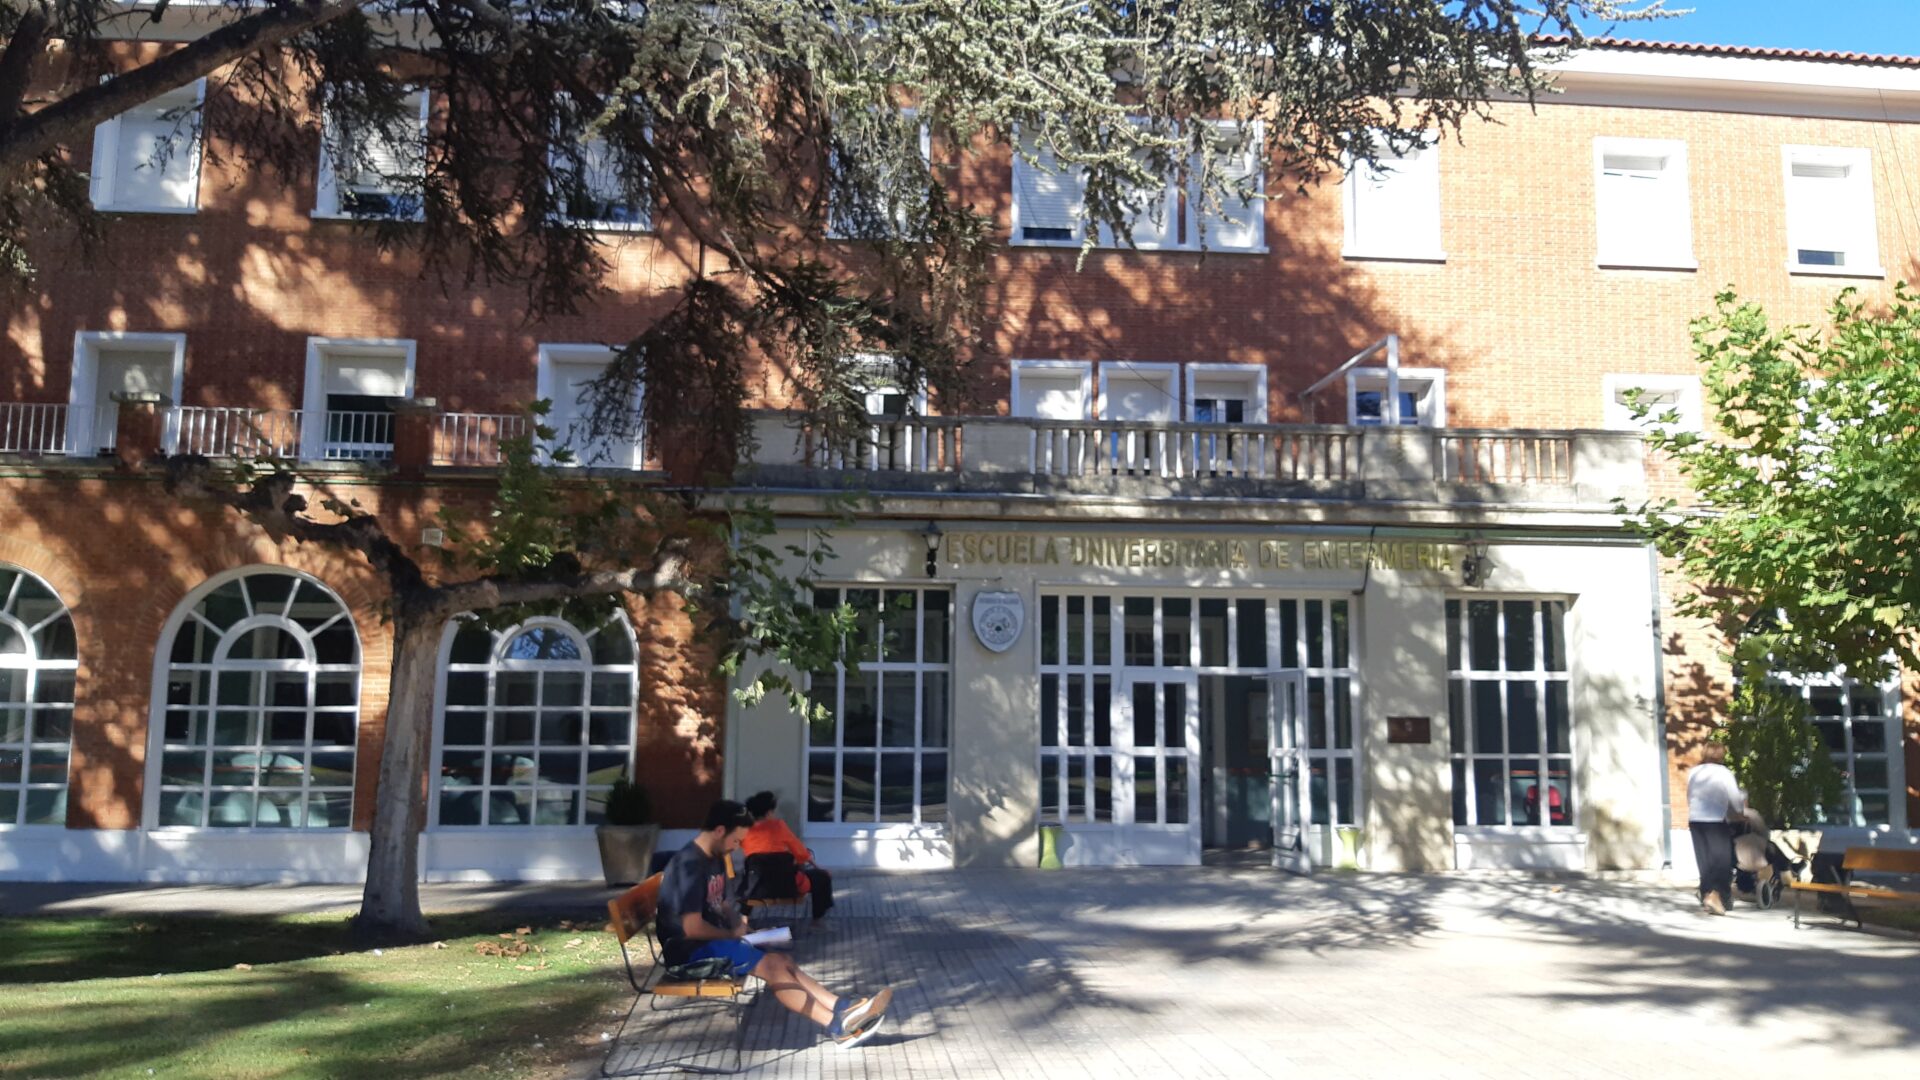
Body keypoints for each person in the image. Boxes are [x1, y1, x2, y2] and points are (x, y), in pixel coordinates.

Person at [657, 800, 890, 1048]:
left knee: (781, 956)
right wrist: (733, 935)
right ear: (719, 831)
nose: (737, 847)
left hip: (711, 943)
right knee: (772, 967)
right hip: (688, 954)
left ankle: (841, 1007)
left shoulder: (714, 857)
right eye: (736, 840)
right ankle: (838, 1028)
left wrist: (742, 926)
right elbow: (691, 928)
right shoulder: (689, 866)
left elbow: (722, 904)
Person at [742, 790, 835, 926]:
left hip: (756, 888)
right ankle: (817, 920)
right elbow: (801, 852)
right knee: (822, 877)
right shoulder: (778, 826)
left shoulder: (744, 831)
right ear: (768, 813)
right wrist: (818, 867)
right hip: (788, 886)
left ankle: (744, 918)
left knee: (751, 878)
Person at [1686, 742, 1745, 916]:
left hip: (1695, 820)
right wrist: (1740, 813)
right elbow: (1734, 797)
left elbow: (1689, 795)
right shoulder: (1724, 773)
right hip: (1716, 820)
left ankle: (1706, 894)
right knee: (1721, 860)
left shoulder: (1694, 772)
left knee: (1704, 861)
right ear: (1721, 755)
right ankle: (1716, 895)